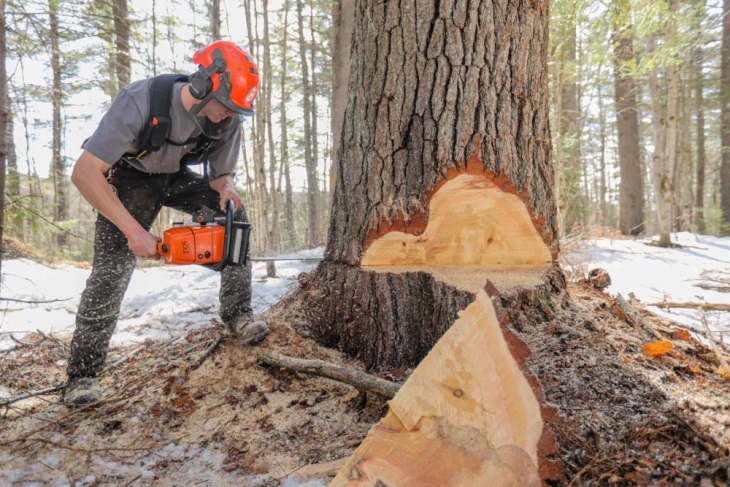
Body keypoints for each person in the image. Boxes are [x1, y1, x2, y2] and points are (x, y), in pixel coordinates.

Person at [63, 41, 269, 407]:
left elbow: (222, 174)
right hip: (130, 179)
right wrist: (134, 232)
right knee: (112, 268)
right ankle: (82, 374)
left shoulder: (229, 119)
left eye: (237, 110)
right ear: (203, 85)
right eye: (225, 106)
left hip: (176, 174)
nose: (229, 115)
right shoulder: (140, 101)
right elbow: (84, 173)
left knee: (235, 219)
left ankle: (238, 314)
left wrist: (226, 189)